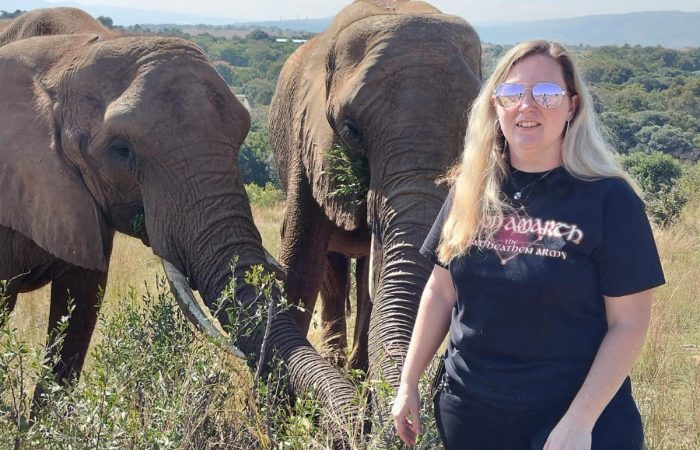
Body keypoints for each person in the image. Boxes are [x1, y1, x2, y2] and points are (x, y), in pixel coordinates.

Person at [391, 40, 665, 450]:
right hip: (471, 415)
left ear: (572, 106)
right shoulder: (471, 189)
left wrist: (579, 422)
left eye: (548, 95)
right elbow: (441, 290)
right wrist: (408, 382)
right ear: (495, 104)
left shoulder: (610, 199)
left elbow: (628, 323)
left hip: (575, 419)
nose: (528, 107)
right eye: (513, 93)